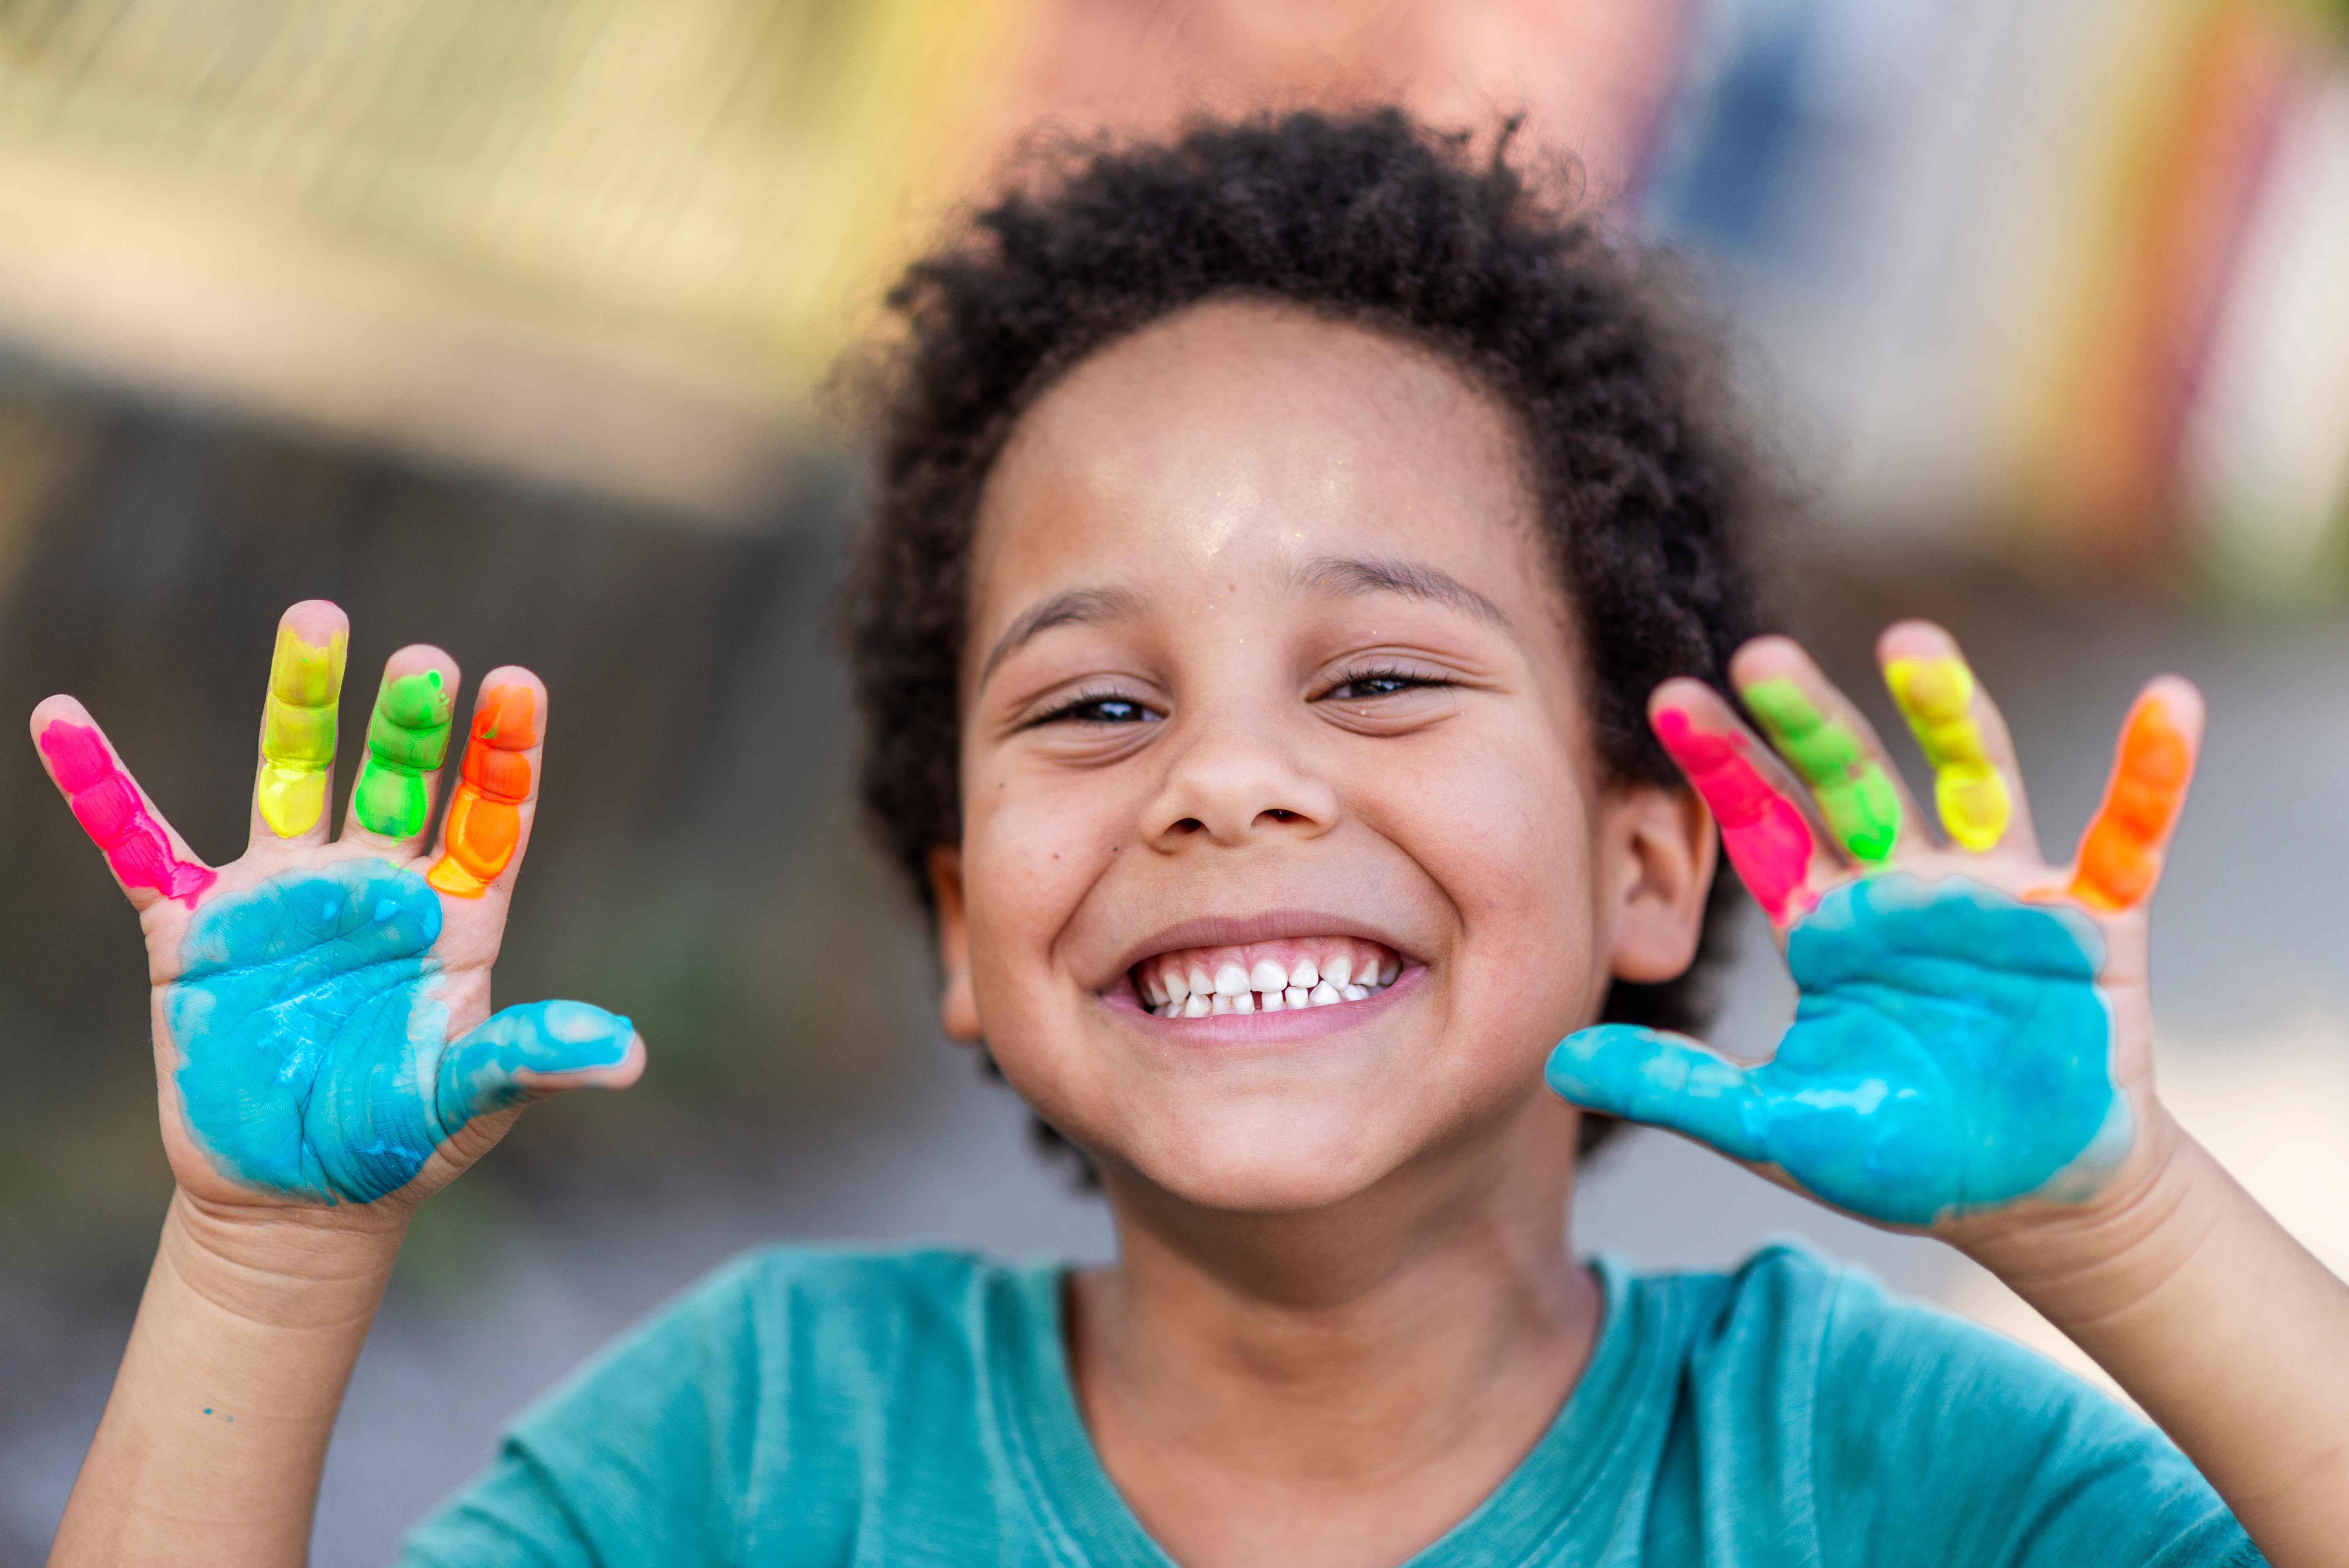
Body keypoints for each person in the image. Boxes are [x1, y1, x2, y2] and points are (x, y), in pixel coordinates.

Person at [34, 110, 2345, 1568]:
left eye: (1380, 678)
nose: (1222, 783)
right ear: (965, 927)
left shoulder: (1872, 1474)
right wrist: (261, 1257)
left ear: (1655, 861)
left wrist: (2116, 1219)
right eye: (1097, 704)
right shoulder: (763, 1439)